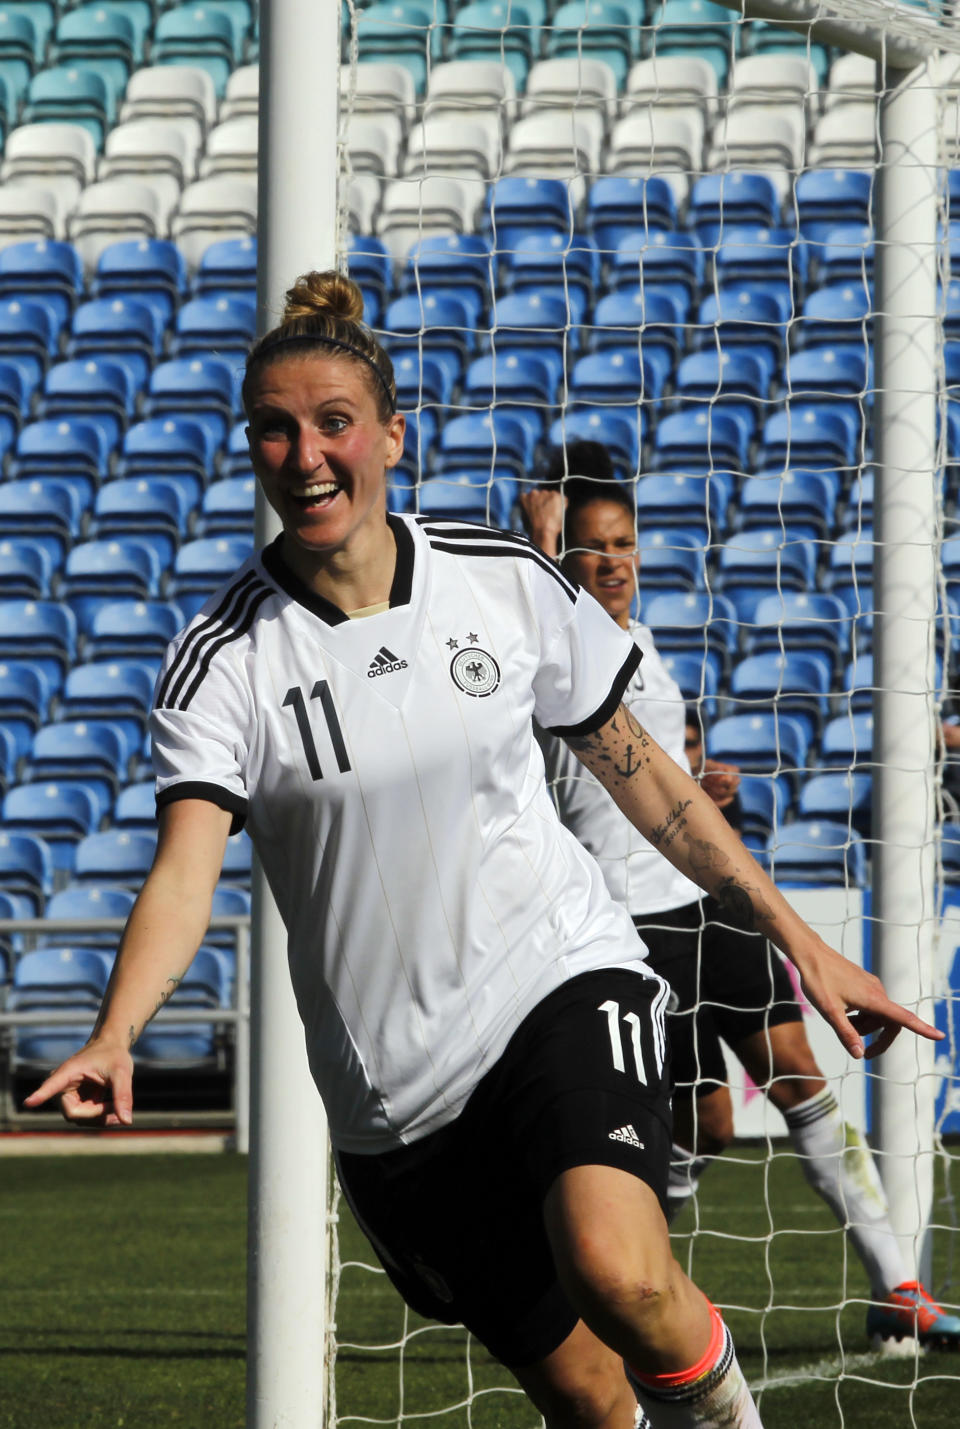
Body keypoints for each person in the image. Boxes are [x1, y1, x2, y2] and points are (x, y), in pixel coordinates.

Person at [24, 273, 943, 1429]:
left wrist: (799, 940)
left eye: (333, 423)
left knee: (622, 1270)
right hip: (397, 1101)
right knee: (591, 1398)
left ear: (392, 436)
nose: (304, 454)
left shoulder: (502, 581)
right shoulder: (226, 660)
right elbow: (184, 868)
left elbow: (648, 779)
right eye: (274, 427)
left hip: (558, 977)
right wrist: (117, 1034)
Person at [522, 454, 960, 1351]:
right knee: (706, 1124)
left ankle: (898, 1288)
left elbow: (654, 776)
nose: (613, 562)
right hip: (630, 931)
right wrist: (539, 544)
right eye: (591, 549)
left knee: (799, 1072)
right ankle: (628, 1283)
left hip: (708, 904)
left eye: (625, 545)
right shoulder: (543, 645)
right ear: (562, 561)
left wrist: (704, 787)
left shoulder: (646, 645)